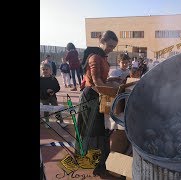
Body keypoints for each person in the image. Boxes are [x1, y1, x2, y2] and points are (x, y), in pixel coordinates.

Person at [76, 30, 121, 178]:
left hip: (98, 95)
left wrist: (111, 81)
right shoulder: (94, 57)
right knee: (94, 131)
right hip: (91, 98)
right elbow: (96, 82)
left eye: (113, 47)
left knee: (100, 131)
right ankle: (97, 167)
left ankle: (100, 164)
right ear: (101, 42)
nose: (111, 49)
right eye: (109, 45)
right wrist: (111, 91)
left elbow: (102, 80)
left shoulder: (102, 57)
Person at [40, 63, 67, 128]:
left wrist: (53, 91)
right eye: (43, 69)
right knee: (46, 109)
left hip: (52, 97)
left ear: (50, 70)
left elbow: (57, 87)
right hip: (43, 97)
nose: (45, 71)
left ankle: (61, 121)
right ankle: (47, 121)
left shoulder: (53, 79)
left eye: (47, 69)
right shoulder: (40, 79)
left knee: (56, 108)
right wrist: (45, 91)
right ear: (41, 70)